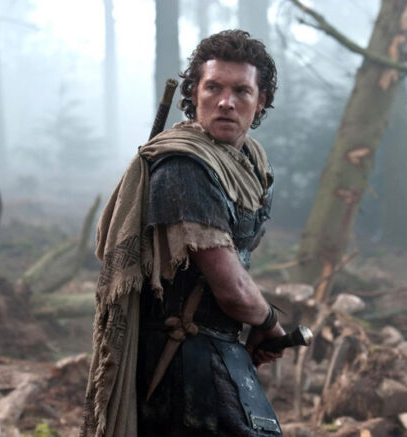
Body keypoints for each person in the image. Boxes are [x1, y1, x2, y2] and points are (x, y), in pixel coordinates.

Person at [82, 30, 285, 437]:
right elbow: (230, 287)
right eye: (214, 87)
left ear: (260, 100)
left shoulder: (249, 162)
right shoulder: (184, 167)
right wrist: (269, 322)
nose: (226, 102)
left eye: (241, 91)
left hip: (221, 349)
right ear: (194, 93)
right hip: (179, 359)